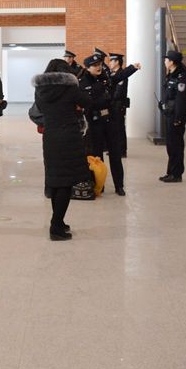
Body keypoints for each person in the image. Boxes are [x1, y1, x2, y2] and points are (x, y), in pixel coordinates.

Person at [33, 59, 92, 240]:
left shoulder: (40, 90)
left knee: (55, 180)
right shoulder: (70, 88)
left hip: (50, 137)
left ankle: (58, 222)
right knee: (66, 183)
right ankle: (55, 226)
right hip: (68, 137)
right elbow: (88, 101)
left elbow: (40, 108)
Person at [80, 54, 125, 195]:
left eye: (99, 64)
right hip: (95, 123)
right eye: (95, 65)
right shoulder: (83, 82)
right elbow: (87, 102)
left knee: (115, 155)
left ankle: (119, 186)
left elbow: (119, 77)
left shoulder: (106, 77)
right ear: (88, 68)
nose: (98, 67)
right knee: (97, 156)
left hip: (110, 120)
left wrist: (133, 68)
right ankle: (99, 185)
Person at [159, 50, 186, 183]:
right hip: (170, 114)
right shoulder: (171, 74)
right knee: (170, 145)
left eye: (166, 59)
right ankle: (170, 172)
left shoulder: (182, 76)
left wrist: (178, 117)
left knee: (176, 145)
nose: (164, 61)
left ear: (172, 62)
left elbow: (181, 99)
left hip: (176, 116)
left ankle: (176, 174)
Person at [107, 53, 141, 165]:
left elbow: (118, 93)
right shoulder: (113, 74)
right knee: (113, 128)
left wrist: (109, 99)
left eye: (111, 61)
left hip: (118, 105)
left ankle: (122, 151)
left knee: (119, 128)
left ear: (117, 62)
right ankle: (115, 149)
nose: (109, 63)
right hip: (113, 105)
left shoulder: (121, 75)